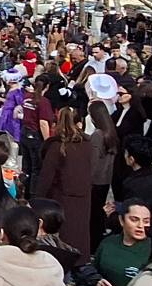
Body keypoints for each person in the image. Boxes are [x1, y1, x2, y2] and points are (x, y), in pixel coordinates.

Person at [36, 106, 104, 254]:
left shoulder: (56, 146)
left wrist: (37, 200)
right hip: (83, 195)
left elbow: (46, 177)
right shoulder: (88, 144)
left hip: (61, 197)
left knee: (64, 236)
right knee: (80, 232)